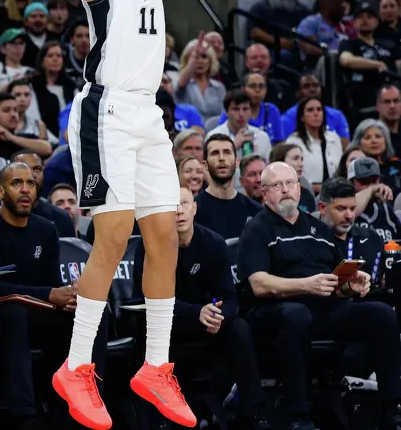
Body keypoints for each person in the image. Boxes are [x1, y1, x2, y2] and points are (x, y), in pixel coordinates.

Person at [57, 0, 202, 430]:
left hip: (148, 114)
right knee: (113, 236)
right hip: (105, 111)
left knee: (164, 234)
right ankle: (76, 366)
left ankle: (156, 366)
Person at [239, 161, 401, 430]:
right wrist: (306, 285)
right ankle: (298, 415)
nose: (285, 190)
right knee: (297, 315)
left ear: (299, 189)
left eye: (290, 183)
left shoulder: (319, 229)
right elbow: (259, 284)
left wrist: (351, 284)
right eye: (277, 185)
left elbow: (336, 283)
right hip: (276, 310)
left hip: (323, 308)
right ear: (264, 193)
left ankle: (390, 408)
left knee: (382, 314)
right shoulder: (256, 229)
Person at [134, 184, 271, 429]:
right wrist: (196, 312)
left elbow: (229, 298)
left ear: (194, 208)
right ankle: (158, 418)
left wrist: (218, 316)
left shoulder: (213, 242)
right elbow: (150, 300)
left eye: (184, 204)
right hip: (167, 322)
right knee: (151, 327)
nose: (179, 211)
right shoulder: (149, 245)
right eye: (171, 206)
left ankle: (253, 414)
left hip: (205, 322)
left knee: (238, 327)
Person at [0, 161, 77, 428]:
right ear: (1, 192)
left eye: (31, 184)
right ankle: (25, 414)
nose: (25, 189)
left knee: (87, 315)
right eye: (16, 183)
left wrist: (70, 296)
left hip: (37, 311)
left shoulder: (45, 228)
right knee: (14, 313)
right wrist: (49, 294)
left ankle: (79, 402)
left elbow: (52, 284)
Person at [195, 134, 262, 239]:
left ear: (237, 162)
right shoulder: (194, 211)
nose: (221, 158)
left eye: (227, 152)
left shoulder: (255, 210)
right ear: (205, 165)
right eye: (215, 153)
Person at [338, 2, 401, 112]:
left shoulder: (388, 44)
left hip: (393, 94)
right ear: (354, 23)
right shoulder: (349, 44)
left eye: (369, 17)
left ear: (376, 22)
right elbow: (346, 60)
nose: (365, 20)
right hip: (365, 98)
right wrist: (377, 64)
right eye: (360, 17)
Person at [206, 89, 272, 160]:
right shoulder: (213, 137)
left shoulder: (262, 137)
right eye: (236, 109)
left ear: (251, 111)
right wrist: (233, 146)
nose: (241, 114)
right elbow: (212, 164)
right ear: (226, 112)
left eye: (245, 109)